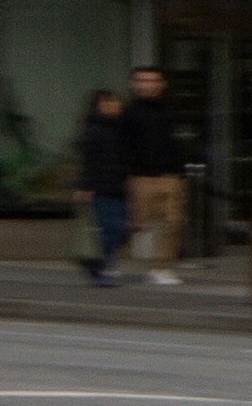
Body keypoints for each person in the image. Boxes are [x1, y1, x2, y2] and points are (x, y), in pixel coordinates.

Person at [119, 63, 190, 286]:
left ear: (161, 84)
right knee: (137, 223)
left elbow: (177, 141)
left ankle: (161, 267)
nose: (147, 85)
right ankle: (110, 256)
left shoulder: (170, 110)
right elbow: (121, 144)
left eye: (152, 81)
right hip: (140, 176)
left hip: (169, 175)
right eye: (142, 81)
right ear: (134, 84)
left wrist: (179, 166)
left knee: (173, 221)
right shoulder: (127, 112)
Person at [74, 88, 133, 287]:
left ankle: (100, 263)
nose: (113, 106)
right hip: (102, 187)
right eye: (106, 103)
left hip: (118, 186)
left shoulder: (120, 128)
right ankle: (101, 267)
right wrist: (86, 185)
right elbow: (88, 160)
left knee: (120, 229)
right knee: (111, 228)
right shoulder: (93, 129)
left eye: (114, 102)